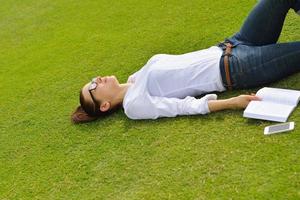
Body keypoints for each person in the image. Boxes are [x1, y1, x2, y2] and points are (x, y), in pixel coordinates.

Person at [71, 0, 300, 123]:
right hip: (239, 68)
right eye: (93, 87)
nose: (97, 80)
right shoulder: (133, 105)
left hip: (234, 43)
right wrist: (234, 103)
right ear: (104, 105)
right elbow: (183, 107)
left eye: (92, 80)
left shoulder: (135, 78)